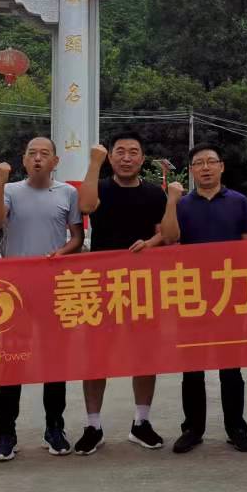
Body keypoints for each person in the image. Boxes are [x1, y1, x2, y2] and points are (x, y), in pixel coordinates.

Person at [0, 136, 84, 460]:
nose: (38, 158)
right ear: (24, 160)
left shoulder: (68, 193)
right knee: (12, 363)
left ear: (55, 161)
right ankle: (6, 432)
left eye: (45, 154)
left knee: (55, 363)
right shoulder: (10, 190)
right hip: (14, 291)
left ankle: (54, 428)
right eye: (32, 153)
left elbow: (77, 237)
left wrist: (62, 252)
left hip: (54, 290)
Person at [73, 133, 170, 454]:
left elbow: (165, 234)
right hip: (100, 286)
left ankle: (141, 423)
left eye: (133, 152)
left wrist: (150, 243)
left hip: (143, 286)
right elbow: (86, 206)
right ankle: (93, 425)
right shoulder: (98, 187)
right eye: (120, 152)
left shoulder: (155, 194)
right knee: (96, 357)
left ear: (142, 158)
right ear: (111, 157)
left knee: (144, 355)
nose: (126, 158)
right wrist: (94, 163)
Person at [160, 144, 247, 454]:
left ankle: (236, 428)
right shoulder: (182, 204)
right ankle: (193, 429)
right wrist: (171, 201)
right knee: (192, 367)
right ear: (191, 170)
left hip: (230, 295)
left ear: (221, 166)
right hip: (191, 295)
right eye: (198, 163)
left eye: (210, 162)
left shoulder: (239, 201)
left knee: (231, 367)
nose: (205, 168)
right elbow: (170, 238)